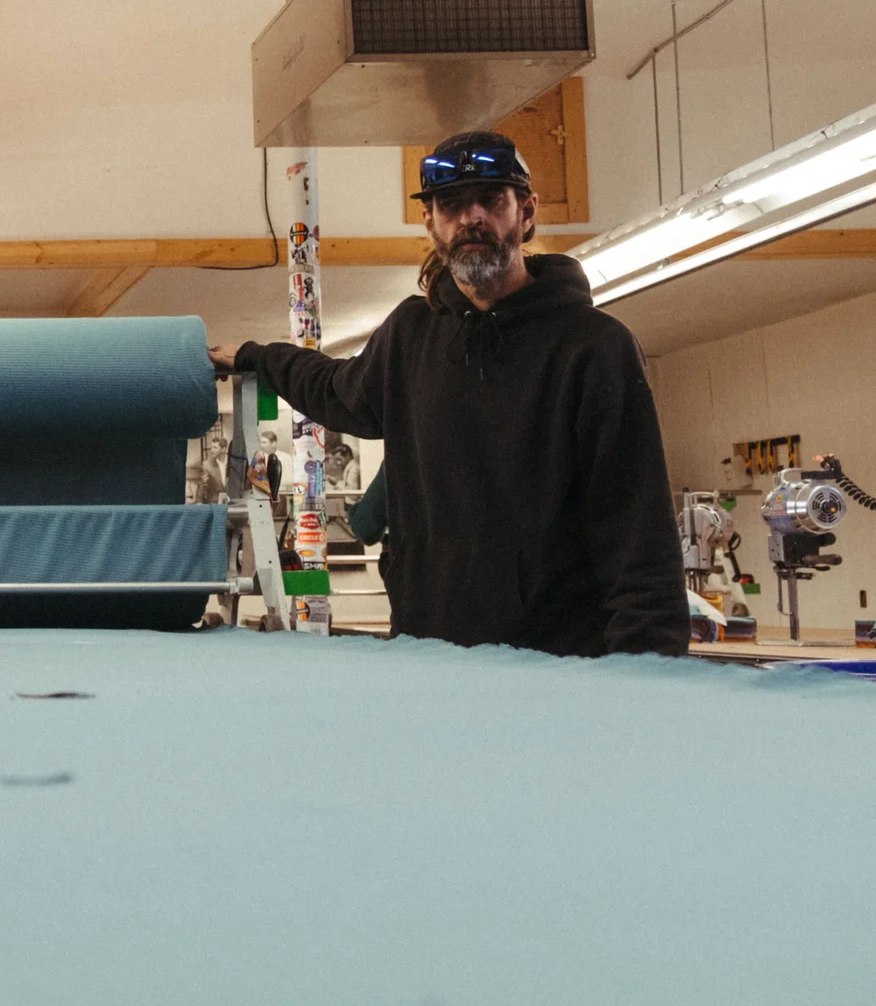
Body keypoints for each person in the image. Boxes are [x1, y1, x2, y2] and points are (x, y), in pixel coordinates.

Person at [213, 131, 684, 656]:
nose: (471, 217)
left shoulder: (594, 348)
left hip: (556, 665)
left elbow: (638, 530)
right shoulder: (411, 334)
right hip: (425, 653)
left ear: (526, 213)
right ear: (431, 223)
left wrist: (649, 674)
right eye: (452, 204)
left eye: (491, 200)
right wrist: (258, 356)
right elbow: (333, 389)